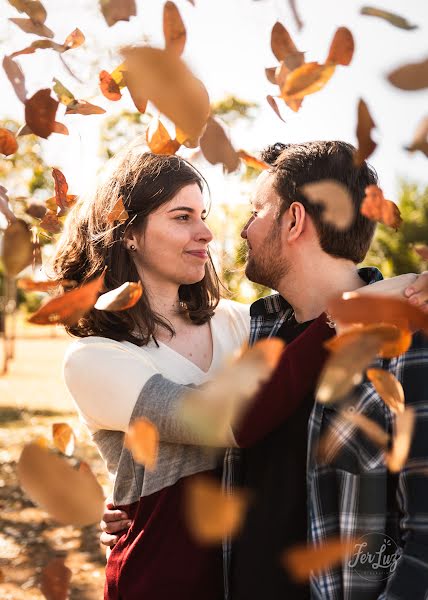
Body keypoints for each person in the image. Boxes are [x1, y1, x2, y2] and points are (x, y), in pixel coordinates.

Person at [100, 141, 428, 599]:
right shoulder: (251, 333)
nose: (240, 230)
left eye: (257, 211)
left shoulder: (406, 343)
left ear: (293, 220)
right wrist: (135, 510)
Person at [58, 144, 352, 600]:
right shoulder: (94, 358)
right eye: (182, 217)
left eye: (203, 215)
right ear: (128, 233)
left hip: (254, 579)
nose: (208, 233)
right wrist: (342, 316)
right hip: (161, 585)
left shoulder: (241, 323)